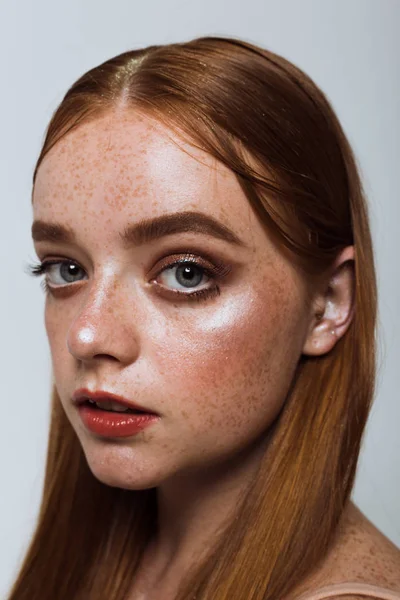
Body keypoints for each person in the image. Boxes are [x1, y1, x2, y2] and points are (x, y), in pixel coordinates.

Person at [7, 36, 400, 600]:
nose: (87, 334)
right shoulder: (104, 563)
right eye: (66, 269)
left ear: (329, 304)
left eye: (186, 273)